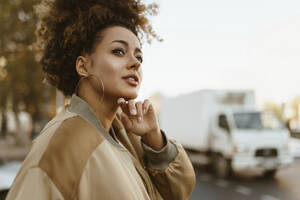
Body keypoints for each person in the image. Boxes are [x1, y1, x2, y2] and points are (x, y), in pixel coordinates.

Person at [6, 0, 196, 199]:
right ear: (83, 66)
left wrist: (154, 139)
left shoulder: (128, 137)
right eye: (118, 51)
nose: (134, 63)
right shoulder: (61, 145)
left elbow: (179, 191)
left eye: (139, 57)